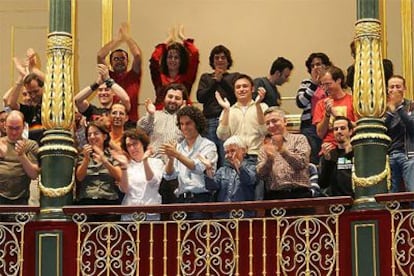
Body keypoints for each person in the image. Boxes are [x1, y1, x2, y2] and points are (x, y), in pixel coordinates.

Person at [159, 106, 218, 213]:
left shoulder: (208, 145)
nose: (184, 127)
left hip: (202, 199)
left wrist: (177, 155)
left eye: (188, 123)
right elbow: (169, 176)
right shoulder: (178, 147)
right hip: (181, 199)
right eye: (181, 124)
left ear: (197, 123)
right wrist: (171, 159)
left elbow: (198, 167)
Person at [196, 45, 239, 167]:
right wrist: (215, 81)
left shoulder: (234, 77)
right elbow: (200, 97)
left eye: (223, 58)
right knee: (210, 156)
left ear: (228, 61)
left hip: (227, 120)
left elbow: (235, 96)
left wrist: (222, 81)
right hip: (209, 121)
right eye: (216, 58)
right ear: (212, 61)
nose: (220, 60)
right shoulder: (205, 77)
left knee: (227, 155)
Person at [257, 107, 312, 200]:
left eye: (274, 121)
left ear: (285, 121)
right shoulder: (264, 148)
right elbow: (261, 175)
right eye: (267, 123)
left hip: (300, 194)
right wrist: (269, 160)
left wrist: (282, 150)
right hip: (274, 196)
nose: (271, 125)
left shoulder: (299, 139)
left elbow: (301, 164)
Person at [113, 129, 164, 221]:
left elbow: (153, 181)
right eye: (129, 146)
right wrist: (124, 167)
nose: (132, 148)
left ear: (142, 144)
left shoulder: (157, 162)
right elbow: (124, 189)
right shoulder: (126, 165)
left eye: (135, 144)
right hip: (129, 215)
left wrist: (145, 161)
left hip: (151, 214)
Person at [97, 22, 142, 125]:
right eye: (116, 59)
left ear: (127, 61)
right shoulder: (108, 76)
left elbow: (138, 56)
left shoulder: (134, 75)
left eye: (122, 58)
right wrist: (117, 39)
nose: (119, 61)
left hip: (131, 122)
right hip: (111, 122)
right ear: (111, 63)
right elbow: (100, 56)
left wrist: (127, 38)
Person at [150, 25, 199, 109]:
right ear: (165, 59)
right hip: (161, 114)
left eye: (176, 57)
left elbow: (195, 53)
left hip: (183, 115)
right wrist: (166, 42)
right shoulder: (159, 77)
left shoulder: (187, 77)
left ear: (181, 60)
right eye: (169, 57)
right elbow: (154, 59)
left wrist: (183, 38)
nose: (172, 60)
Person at [296, 52, 332, 164]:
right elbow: (300, 102)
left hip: (328, 124)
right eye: (312, 66)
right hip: (309, 127)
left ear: (326, 66)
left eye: (318, 64)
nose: (316, 67)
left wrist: (323, 83)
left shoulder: (331, 83)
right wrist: (314, 84)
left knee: (328, 156)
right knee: (312, 158)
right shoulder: (306, 83)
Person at [75, 120, 122, 206]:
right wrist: (86, 159)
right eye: (89, 135)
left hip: (109, 200)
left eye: (96, 133)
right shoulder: (83, 155)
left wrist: (105, 161)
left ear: (104, 136)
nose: (92, 137)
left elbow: (119, 176)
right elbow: (79, 177)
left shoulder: (112, 155)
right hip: (87, 199)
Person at [137, 83, 186, 160]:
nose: (173, 100)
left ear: (183, 102)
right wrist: (150, 115)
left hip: (177, 164)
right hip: (153, 163)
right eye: (170, 97)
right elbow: (140, 131)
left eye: (177, 98)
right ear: (164, 98)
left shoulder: (187, 120)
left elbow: (190, 139)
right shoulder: (154, 115)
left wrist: (184, 116)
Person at [201, 135, 256, 203]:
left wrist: (238, 165)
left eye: (232, 151)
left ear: (243, 150)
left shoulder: (252, 167)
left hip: (243, 211)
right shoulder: (222, 170)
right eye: (227, 152)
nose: (229, 155)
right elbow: (212, 187)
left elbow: (248, 180)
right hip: (223, 212)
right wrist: (208, 169)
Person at [0, 111, 39, 204]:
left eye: (17, 128)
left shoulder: (31, 145)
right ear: (5, 125)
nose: (13, 132)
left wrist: (22, 155)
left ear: (24, 127)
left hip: (21, 198)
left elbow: (33, 175)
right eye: (10, 128)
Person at [384, 75, 414, 193]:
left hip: (408, 154)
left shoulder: (411, 105)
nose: (395, 90)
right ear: (388, 90)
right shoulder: (383, 109)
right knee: (391, 193)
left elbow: (412, 127)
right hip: (389, 155)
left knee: (411, 190)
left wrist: (399, 108)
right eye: (392, 87)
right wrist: (391, 112)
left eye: (398, 86)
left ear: (404, 88)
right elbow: (383, 130)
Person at [313, 66, 356, 147]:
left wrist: (337, 115)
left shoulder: (352, 101)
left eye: (328, 84)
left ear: (338, 81)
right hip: (329, 147)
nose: (325, 88)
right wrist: (327, 114)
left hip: (350, 145)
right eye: (323, 85)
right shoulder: (321, 104)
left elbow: (358, 127)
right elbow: (320, 134)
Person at [319, 116, 354, 197]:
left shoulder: (358, 152)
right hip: (336, 202)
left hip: (356, 199)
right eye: (336, 129)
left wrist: (350, 154)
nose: (339, 131)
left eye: (342, 128)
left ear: (350, 131)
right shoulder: (329, 154)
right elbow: (323, 184)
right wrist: (327, 160)